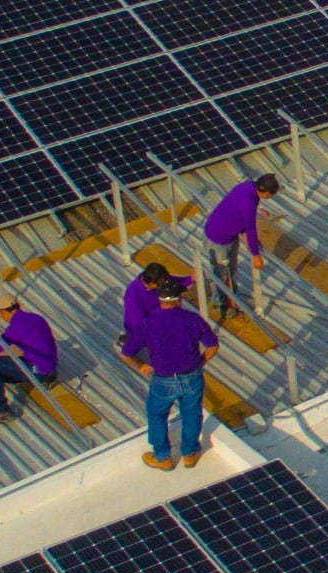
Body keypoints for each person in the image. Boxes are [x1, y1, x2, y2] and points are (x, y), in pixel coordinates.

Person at [121, 276, 218, 471]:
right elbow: (212, 346)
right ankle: (190, 453)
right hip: (191, 375)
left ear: (160, 299)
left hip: (163, 380)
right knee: (191, 414)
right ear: (179, 299)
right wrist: (201, 362)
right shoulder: (192, 319)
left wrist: (141, 366)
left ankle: (162, 457)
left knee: (157, 416)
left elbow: (126, 353)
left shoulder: (148, 323)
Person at [0, 298, 61, 427]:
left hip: (39, 371)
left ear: (4, 312)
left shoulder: (15, 328)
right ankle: (49, 378)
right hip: (50, 365)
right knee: (17, 358)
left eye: (1, 313)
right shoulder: (36, 317)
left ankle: (0, 410)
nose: (1, 317)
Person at [202, 174, 282, 304]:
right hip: (219, 239)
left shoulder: (246, 186)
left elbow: (240, 212)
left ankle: (232, 296)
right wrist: (256, 255)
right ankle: (220, 303)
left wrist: (246, 234)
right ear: (267, 194)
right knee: (220, 273)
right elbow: (251, 229)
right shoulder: (249, 204)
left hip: (225, 232)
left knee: (231, 268)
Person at [119, 257, 193, 357]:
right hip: (144, 326)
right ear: (152, 284)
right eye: (163, 282)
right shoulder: (134, 293)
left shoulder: (160, 280)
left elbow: (175, 283)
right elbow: (137, 322)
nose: (166, 283)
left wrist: (191, 279)